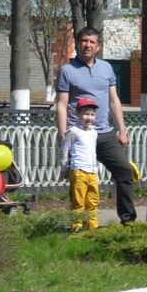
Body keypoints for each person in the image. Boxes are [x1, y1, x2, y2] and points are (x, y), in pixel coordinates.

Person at [55, 26, 135, 223]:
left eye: (92, 42)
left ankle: (128, 220)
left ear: (98, 46)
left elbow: (114, 100)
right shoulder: (67, 71)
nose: (87, 45)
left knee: (125, 170)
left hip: (104, 134)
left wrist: (122, 130)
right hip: (79, 134)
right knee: (79, 182)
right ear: (77, 44)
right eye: (83, 41)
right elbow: (62, 104)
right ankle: (78, 224)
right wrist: (63, 133)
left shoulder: (106, 68)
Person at [60, 97, 101, 230]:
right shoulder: (73, 132)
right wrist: (64, 167)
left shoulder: (94, 133)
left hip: (92, 172)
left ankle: (92, 227)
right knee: (78, 201)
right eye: (86, 114)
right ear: (77, 114)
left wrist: (96, 169)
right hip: (79, 171)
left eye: (92, 114)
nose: (89, 118)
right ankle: (76, 227)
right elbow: (65, 149)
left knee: (93, 201)